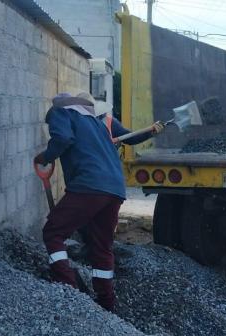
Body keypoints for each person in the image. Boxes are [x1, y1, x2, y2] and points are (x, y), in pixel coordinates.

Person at [34, 92, 164, 312]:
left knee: (53, 233)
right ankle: (106, 301)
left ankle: (68, 288)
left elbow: (63, 139)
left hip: (89, 185)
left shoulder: (61, 112)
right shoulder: (97, 123)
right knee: (101, 245)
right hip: (115, 188)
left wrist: (45, 157)